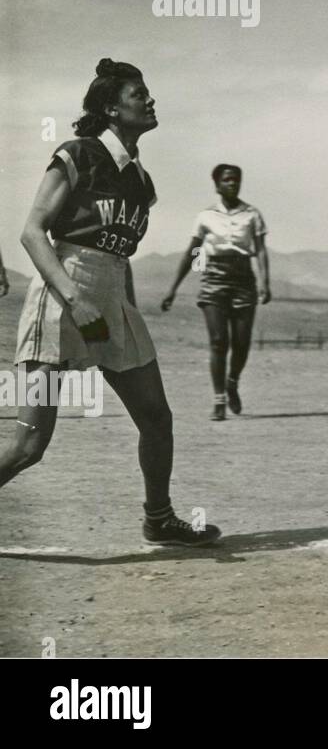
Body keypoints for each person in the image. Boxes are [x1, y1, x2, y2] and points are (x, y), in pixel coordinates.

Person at [1, 59, 221, 546]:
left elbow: (120, 256)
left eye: (147, 92)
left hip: (114, 299)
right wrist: (74, 299)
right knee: (29, 445)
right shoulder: (76, 153)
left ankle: (159, 519)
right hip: (64, 293)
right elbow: (32, 233)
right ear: (110, 108)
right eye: (138, 93)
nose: (149, 100)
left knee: (156, 419)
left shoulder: (140, 181)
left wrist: (127, 313)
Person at [162, 164, 271, 420]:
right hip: (214, 279)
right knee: (218, 341)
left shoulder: (252, 214)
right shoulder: (205, 216)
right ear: (217, 185)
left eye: (236, 180)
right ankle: (219, 399)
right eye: (227, 180)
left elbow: (261, 250)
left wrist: (265, 282)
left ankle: (232, 381)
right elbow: (193, 251)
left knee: (241, 343)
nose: (233, 183)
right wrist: (173, 289)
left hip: (244, 279)